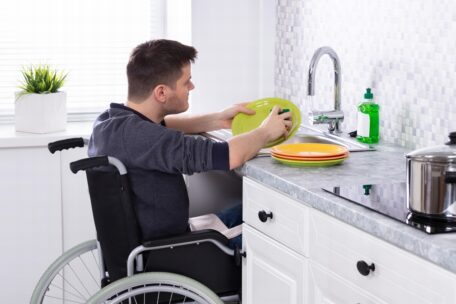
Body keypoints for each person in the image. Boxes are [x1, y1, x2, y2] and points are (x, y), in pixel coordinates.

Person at [88, 39, 291, 249]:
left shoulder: (109, 123)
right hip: (173, 253)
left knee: (249, 209)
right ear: (161, 93)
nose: (192, 87)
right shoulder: (147, 138)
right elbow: (229, 155)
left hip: (152, 244)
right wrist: (266, 131)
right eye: (187, 82)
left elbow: (166, 126)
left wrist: (218, 119)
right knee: (279, 229)